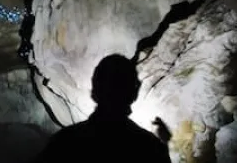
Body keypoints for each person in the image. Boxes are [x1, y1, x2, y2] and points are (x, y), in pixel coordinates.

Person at [32, 54, 171, 163]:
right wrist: (165, 144)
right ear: (134, 93)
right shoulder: (148, 149)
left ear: (94, 92)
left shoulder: (64, 144)